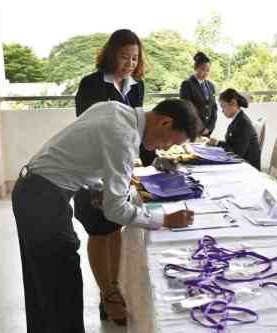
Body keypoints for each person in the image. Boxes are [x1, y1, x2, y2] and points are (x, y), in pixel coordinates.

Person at [12, 99, 199, 332]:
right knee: (62, 287)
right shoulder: (124, 137)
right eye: (171, 141)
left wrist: (98, 186)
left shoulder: (114, 108)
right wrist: (164, 220)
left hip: (32, 189)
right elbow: (115, 210)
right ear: (165, 122)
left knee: (42, 284)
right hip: (43, 199)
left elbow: (82, 152)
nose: (164, 148)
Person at [74, 29, 173, 325]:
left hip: (121, 166)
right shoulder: (91, 84)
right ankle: (107, 293)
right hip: (93, 168)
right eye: (123, 56)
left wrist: (152, 159)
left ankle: (114, 287)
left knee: (115, 226)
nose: (129, 63)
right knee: (98, 230)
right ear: (110, 54)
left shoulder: (136, 85)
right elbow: (88, 127)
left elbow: (140, 129)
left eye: (134, 57)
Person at [207, 88, 261, 170]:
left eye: (223, 106)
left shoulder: (243, 122)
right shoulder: (237, 119)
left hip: (248, 169)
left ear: (233, 103)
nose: (222, 111)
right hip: (241, 165)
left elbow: (237, 154)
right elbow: (233, 145)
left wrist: (217, 143)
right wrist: (217, 143)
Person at [179, 51, 218, 137]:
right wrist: (200, 128)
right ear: (195, 68)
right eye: (203, 69)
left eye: (208, 70)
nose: (206, 73)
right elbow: (187, 109)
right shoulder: (187, 84)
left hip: (207, 131)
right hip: (193, 129)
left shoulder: (211, 86)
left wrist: (209, 128)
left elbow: (214, 108)